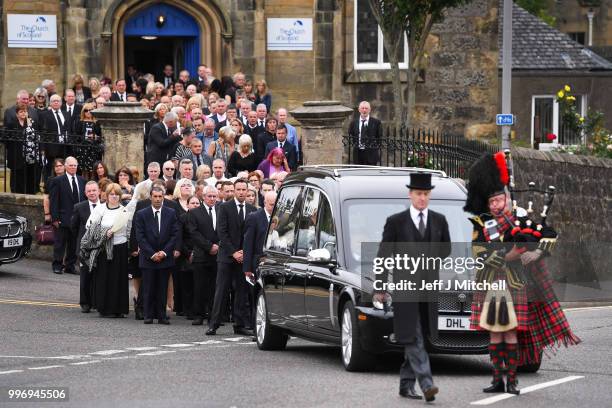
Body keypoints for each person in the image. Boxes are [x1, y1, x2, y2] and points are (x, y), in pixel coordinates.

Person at [464, 152, 581, 395]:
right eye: (492, 202)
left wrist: (536, 254)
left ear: (507, 199)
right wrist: (509, 256)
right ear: (487, 204)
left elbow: (549, 235)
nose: (496, 205)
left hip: (515, 284)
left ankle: (513, 380)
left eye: (500, 200)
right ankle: (498, 379)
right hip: (492, 284)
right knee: (496, 334)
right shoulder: (481, 225)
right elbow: (478, 252)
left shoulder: (521, 219)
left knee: (510, 332)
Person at [374, 173, 450, 402]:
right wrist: (380, 286)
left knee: (418, 337)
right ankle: (427, 384)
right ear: (410, 194)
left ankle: (406, 385)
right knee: (413, 336)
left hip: (429, 289)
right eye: (418, 194)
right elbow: (383, 255)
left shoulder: (439, 220)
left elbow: (446, 250)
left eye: (426, 194)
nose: (422, 198)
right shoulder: (395, 221)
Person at [206, 179, 257, 335]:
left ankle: (239, 324)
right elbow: (222, 232)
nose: (241, 192)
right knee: (221, 291)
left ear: (247, 191)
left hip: (243, 257)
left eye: (244, 190)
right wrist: (234, 252)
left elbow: (251, 235)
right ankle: (213, 324)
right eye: (239, 189)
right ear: (234, 190)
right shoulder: (224, 207)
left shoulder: (251, 209)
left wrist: (243, 252)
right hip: (227, 257)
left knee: (241, 292)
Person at [83, 183, 132, 318]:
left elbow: (128, 230)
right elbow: (90, 226)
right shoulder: (100, 209)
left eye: (117, 194)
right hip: (104, 249)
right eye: (111, 194)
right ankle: (104, 308)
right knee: (105, 278)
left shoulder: (123, 210)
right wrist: (105, 232)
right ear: (107, 195)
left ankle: (119, 309)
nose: (114, 196)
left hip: (120, 248)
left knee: (119, 279)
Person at [134, 186, 179, 325]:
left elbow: (174, 234)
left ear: (163, 197)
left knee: (162, 288)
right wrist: (152, 254)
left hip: (165, 257)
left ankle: (161, 315)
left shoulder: (171, 213)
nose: (158, 199)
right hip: (148, 258)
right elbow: (140, 237)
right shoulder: (142, 214)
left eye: (161, 197)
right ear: (150, 197)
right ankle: (148, 315)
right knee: (148, 288)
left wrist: (164, 252)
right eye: (155, 196)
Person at [243, 191, 276, 335]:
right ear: (264, 203)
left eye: (276, 204)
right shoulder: (254, 217)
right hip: (258, 262)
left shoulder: (281, 217)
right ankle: (257, 328)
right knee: (257, 297)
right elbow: (248, 243)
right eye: (271, 204)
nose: (274, 207)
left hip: (275, 262)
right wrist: (247, 268)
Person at [187, 185, 219, 324]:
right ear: (203, 197)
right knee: (199, 286)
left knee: (215, 287)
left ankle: (214, 315)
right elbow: (193, 233)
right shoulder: (195, 213)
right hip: (201, 255)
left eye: (214, 196)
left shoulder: (221, 210)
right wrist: (209, 246)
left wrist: (218, 245)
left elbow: (225, 229)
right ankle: (199, 314)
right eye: (209, 196)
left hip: (218, 254)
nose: (212, 199)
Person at [49, 156, 86, 275]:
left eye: (75, 165)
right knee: (60, 243)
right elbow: (54, 201)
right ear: (65, 166)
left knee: (74, 243)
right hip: (62, 217)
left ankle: (70, 265)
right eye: (71, 165)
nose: (73, 167)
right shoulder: (58, 181)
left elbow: (84, 200)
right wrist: (55, 218)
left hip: (77, 219)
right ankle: (57, 265)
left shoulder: (81, 180)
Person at [71, 181, 101, 313]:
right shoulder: (79, 207)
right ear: (85, 193)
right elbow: (74, 227)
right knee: (85, 276)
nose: (92, 193)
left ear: (99, 191)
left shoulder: (106, 206)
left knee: (99, 276)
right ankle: (85, 302)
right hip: (84, 248)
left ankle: (97, 302)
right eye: (89, 191)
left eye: (94, 190)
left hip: (102, 247)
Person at [172, 178, 196, 317]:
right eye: (183, 185)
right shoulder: (174, 204)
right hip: (180, 247)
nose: (186, 187)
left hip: (195, 249)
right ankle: (180, 306)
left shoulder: (196, 202)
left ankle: (190, 307)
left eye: (189, 185)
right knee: (180, 278)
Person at [6, 104, 42, 194]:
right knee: (16, 175)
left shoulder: (31, 122)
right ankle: (16, 192)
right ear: (17, 114)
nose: (23, 113)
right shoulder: (12, 123)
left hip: (29, 155)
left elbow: (36, 136)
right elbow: (6, 138)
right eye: (21, 112)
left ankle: (30, 192)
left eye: (25, 111)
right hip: (16, 153)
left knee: (28, 174)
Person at [73, 102, 103, 179]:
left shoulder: (97, 122)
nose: (88, 112)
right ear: (83, 112)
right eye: (86, 110)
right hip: (83, 148)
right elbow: (76, 135)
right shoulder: (79, 122)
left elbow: (101, 136)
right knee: (84, 170)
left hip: (93, 148)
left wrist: (96, 137)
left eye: (91, 110)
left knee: (93, 169)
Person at [348, 101, 383, 165]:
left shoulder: (376, 123)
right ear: (359, 110)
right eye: (362, 108)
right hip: (358, 154)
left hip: (371, 155)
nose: (364, 110)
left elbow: (379, 138)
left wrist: (374, 149)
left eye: (366, 108)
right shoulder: (353, 123)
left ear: (369, 110)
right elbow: (351, 136)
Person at [43, 159, 65, 224]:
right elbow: (46, 197)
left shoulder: (69, 179)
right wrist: (47, 213)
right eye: (56, 166)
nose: (58, 168)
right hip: (54, 211)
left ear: (64, 166)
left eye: (60, 165)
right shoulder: (50, 180)